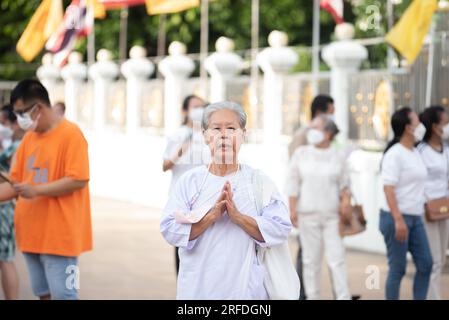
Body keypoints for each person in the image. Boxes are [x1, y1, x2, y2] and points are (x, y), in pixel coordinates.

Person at [160, 101, 292, 299]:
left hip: (246, 293)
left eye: (231, 128)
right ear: (205, 136)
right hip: (198, 292)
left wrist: (238, 217)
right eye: (216, 129)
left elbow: (281, 228)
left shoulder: (259, 182)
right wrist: (210, 217)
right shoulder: (190, 182)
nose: (224, 135)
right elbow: (169, 228)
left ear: (243, 135)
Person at [0, 79, 92, 300]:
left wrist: (37, 190)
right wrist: (28, 189)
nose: (19, 119)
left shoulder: (71, 134)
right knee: (44, 295)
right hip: (31, 235)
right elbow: (15, 184)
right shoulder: (30, 138)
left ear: (38, 108)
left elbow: (79, 179)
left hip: (62, 239)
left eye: (21, 112)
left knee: (66, 295)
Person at [286, 115, 352, 300]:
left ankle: (343, 297)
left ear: (329, 133)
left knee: (336, 260)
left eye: (317, 128)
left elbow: (345, 185)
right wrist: (292, 209)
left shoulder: (338, 155)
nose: (311, 132)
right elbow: (292, 183)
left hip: (333, 216)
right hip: (307, 215)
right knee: (310, 262)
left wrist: (346, 203)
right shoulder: (301, 153)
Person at [379, 107, 433, 300]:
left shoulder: (415, 152)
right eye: (417, 121)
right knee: (398, 269)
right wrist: (398, 219)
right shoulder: (395, 154)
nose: (421, 125)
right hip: (396, 218)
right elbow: (388, 189)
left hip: (415, 217)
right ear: (408, 127)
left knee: (426, 264)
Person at [287, 94, 334, 300]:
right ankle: (301, 293)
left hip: (328, 205)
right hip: (307, 205)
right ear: (320, 112)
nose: (333, 116)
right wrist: (294, 206)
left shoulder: (329, 135)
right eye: (330, 111)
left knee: (330, 255)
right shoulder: (303, 135)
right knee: (307, 253)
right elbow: (294, 172)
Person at [162, 94, 210, 275]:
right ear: (185, 111)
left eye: (202, 106)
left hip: (204, 200)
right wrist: (182, 148)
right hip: (181, 201)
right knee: (182, 244)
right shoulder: (177, 135)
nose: (199, 110)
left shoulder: (208, 135)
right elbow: (165, 165)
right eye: (195, 106)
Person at [418, 106, 449, 300]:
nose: (447, 126)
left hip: (444, 208)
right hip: (427, 209)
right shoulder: (421, 151)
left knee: (441, 258)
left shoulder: (446, 150)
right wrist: (427, 202)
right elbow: (418, 180)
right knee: (433, 259)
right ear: (434, 126)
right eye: (445, 123)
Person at [0, 104, 24, 300]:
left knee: (5, 259)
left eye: (5, 122)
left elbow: (16, 180)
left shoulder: (21, 146)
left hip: (4, 207)